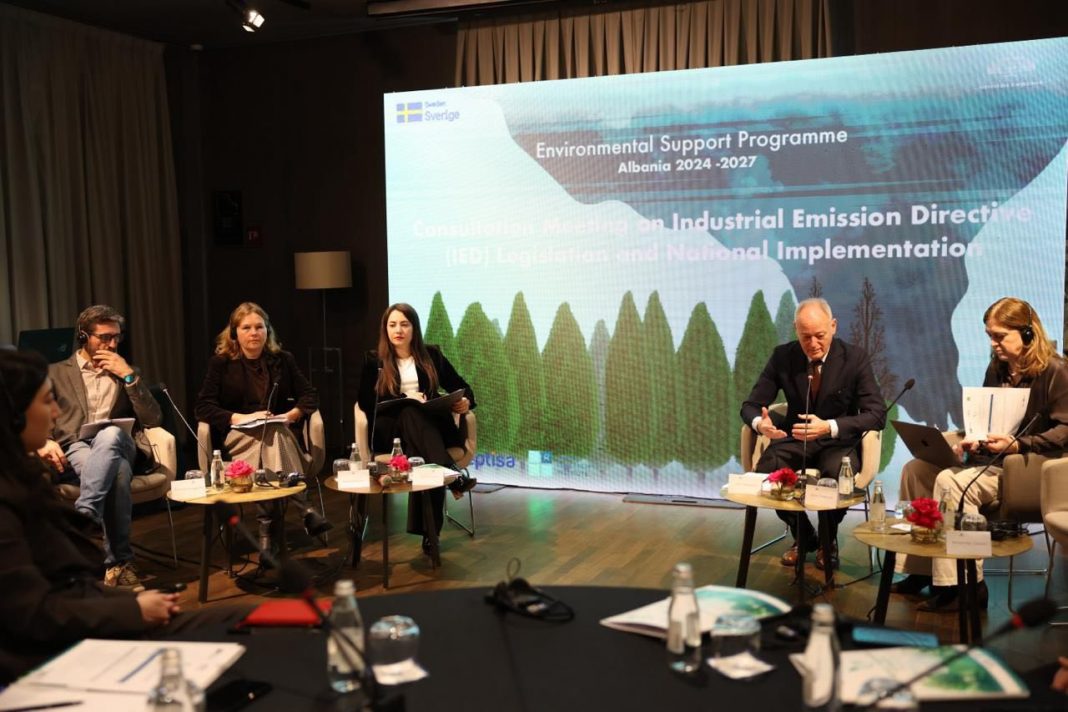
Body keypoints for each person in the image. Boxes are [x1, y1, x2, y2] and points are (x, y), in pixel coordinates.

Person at [893, 297, 1068, 611]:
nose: (993, 343)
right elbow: (989, 420)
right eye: (989, 335)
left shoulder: (1056, 371)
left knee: (951, 482)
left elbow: (1065, 429)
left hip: (1026, 469)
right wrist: (973, 439)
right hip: (988, 461)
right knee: (915, 470)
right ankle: (921, 570)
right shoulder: (997, 368)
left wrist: (1018, 444)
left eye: (1000, 336)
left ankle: (965, 587)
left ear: (1028, 333)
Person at [740, 298, 887, 570]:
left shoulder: (854, 358)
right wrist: (762, 425)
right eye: (805, 336)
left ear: (833, 326)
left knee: (837, 474)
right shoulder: (783, 357)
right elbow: (749, 406)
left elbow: (878, 414)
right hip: (795, 439)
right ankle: (804, 535)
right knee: (767, 471)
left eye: (819, 335)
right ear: (795, 330)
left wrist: (829, 426)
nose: (813, 343)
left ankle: (828, 541)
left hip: (837, 442)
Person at [36, 305, 162, 589]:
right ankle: (119, 563)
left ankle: (85, 514)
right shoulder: (55, 372)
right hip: (76, 448)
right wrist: (45, 440)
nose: (113, 344)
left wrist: (128, 376)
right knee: (117, 474)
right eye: (105, 337)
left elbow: (153, 418)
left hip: (122, 442)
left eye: (116, 337)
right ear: (83, 336)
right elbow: (39, 412)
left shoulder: (127, 372)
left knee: (110, 435)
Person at [194, 302, 331, 554]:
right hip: (238, 437)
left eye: (259, 327)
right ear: (234, 333)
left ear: (268, 331)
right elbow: (203, 407)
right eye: (246, 328)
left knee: (272, 434)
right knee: (273, 434)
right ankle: (305, 508)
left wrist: (292, 414)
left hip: (276, 435)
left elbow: (310, 395)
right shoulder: (221, 364)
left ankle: (267, 535)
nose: (254, 333)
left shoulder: (283, 360)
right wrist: (242, 418)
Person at [357, 303, 477, 552]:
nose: (398, 330)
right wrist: (404, 399)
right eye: (392, 325)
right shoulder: (374, 360)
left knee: (423, 445)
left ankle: (433, 526)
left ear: (414, 328)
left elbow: (461, 386)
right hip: (392, 433)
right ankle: (449, 480)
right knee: (410, 411)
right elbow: (365, 402)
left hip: (429, 430)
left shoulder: (431, 355)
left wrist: (465, 401)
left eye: (404, 324)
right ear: (385, 329)